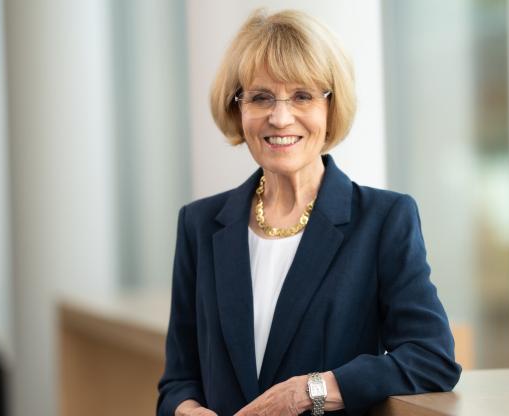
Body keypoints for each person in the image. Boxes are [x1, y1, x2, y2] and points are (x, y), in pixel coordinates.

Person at [157, 8, 461, 416]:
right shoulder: (199, 225)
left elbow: (432, 357)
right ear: (237, 107)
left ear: (331, 106)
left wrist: (308, 391)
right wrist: (187, 411)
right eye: (261, 97)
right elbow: (178, 380)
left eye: (302, 95)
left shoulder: (384, 219)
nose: (280, 117)